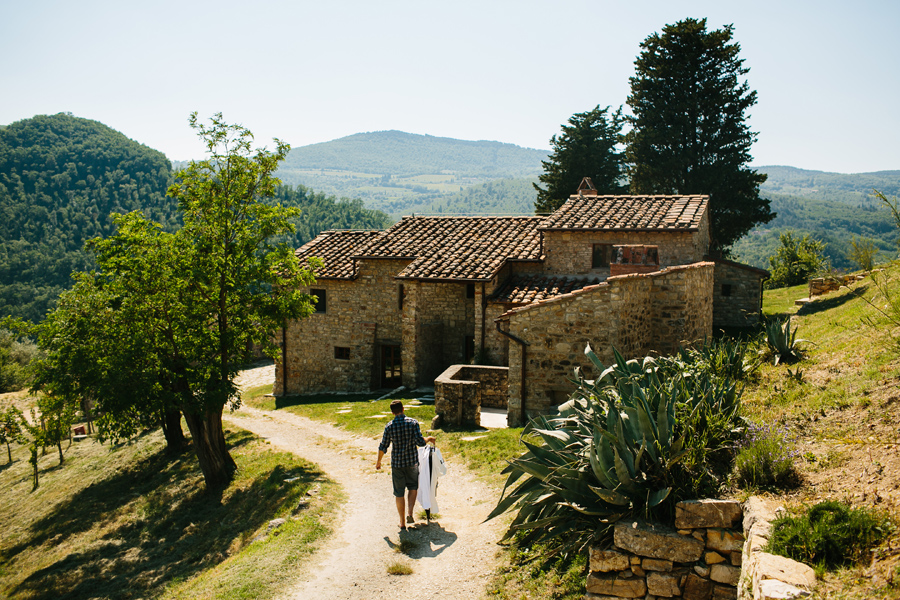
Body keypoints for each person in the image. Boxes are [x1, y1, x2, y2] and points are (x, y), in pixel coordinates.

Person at [375, 399, 435, 530]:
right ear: (403, 409)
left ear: (392, 413)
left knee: (399, 493)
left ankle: (402, 522)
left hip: (397, 464)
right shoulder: (413, 423)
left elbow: (383, 446)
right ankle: (410, 513)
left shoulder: (389, 426)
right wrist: (429, 438)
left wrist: (379, 461)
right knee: (413, 487)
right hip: (412, 462)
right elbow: (420, 442)